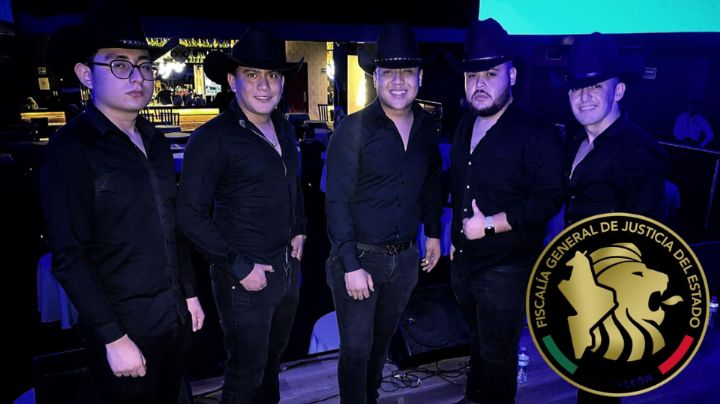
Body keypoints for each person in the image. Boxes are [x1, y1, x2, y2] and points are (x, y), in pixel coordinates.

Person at [39, 2, 204, 403]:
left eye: (144, 66)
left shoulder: (155, 141)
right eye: (119, 65)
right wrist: (113, 338)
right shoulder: (72, 150)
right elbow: (69, 257)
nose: (137, 77)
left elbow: (172, 226)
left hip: (173, 317)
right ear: (85, 74)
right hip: (124, 328)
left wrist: (189, 293)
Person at [177, 28, 306, 404]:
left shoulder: (283, 127)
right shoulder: (212, 138)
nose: (265, 85)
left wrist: (300, 228)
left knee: (271, 364)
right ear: (233, 81)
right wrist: (239, 266)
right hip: (243, 279)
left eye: (273, 75)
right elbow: (189, 215)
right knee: (245, 375)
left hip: (286, 270)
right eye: (252, 74)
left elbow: (293, 186)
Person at [325, 22, 443, 404]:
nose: (397, 81)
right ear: (375, 77)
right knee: (356, 350)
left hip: (405, 261)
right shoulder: (353, 130)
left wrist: (433, 232)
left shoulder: (426, 126)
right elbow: (336, 201)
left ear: (420, 76)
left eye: (406, 71)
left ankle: (369, 398)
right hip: (360, 258)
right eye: (388, 71)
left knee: (381, 344)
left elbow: (432, 180)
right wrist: (350, 265)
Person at [449, 19, 565, 404]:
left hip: (506, 268)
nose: (479, 83)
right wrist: (456, 238)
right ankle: (473, 399)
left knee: (499, 354)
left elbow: (549, 198)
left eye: (490, 74)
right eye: (472, 75)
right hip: (465, 261)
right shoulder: (465, 125)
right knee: (477, 341)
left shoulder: (537, 131)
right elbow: (460, 187)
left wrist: (490, 225)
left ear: (511, 75)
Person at [562, 32, 668, 403]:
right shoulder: (576, 141)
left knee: (602, 383)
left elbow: (648, 235)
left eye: (595, 86)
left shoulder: (639, 152)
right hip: (583, 281)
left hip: (614, 290)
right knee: (587, 377)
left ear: (618, 91)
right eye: (577, 88)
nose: (584, 96)